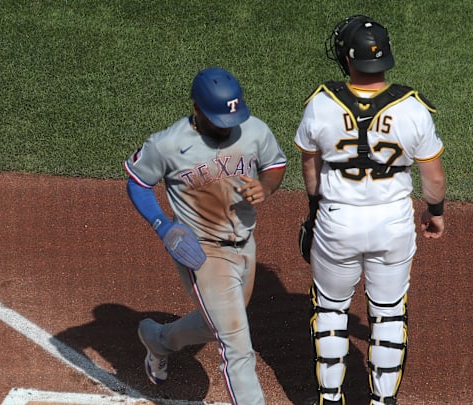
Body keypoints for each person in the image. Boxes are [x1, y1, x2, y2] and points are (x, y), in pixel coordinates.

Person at [294, 15, 447, 405]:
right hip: (392, 226)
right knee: (389, 314)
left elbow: (310, 168)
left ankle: (330, 399)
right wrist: (436, 212)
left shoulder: (320, 104)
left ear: (349, 60)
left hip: (337, 223)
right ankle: (383, 401)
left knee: (330, 312)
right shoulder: (413, 109)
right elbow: (434, 177)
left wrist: (315, 208)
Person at [123, 67, 287, 405]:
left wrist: (266, 187)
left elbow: (274, 164)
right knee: (237, 345)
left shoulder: (254, 130)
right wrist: (163, 226)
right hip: (203, 252)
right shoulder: (168, 144)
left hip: (245, 244)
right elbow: (138, 182)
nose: (228, 127)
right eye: (218, 120)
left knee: (220, 324)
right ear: (197, 109)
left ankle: (160, 338)